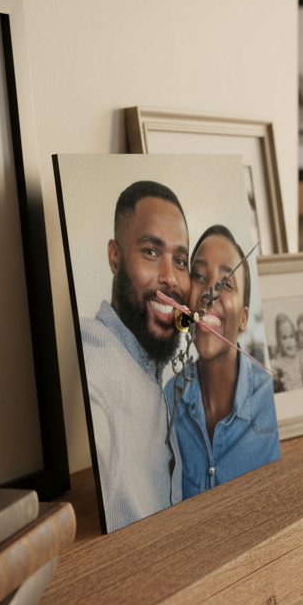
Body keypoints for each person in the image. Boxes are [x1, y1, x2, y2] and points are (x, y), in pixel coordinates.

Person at [80, 181, 190, 532]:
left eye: (180, 260)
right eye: (151, 252)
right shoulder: (93, 357)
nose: (170, 277)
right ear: (115, 257)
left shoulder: (162, 376)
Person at [166, 225, 279, 499]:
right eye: (200, 276)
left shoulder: (274, 405)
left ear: (243, 317)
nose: (209, 293)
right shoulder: (169, 399)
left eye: (226, 284)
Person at [269, 312, 303, 393]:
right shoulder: (279, 362)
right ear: (279, 340)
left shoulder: (300, 355)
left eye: (291, 336)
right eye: (284, 338)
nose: (289, 342)